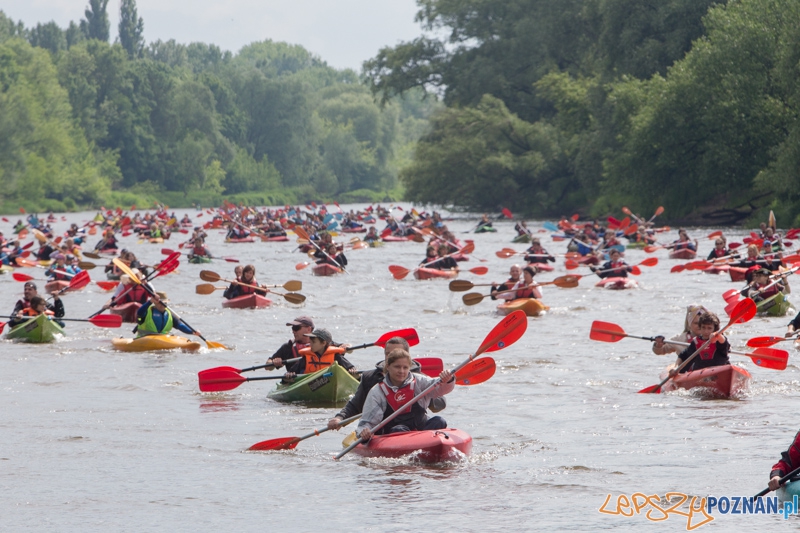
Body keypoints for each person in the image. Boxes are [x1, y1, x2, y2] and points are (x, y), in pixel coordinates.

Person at [327, 337, 446, 430]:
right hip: (386, 431)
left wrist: (425, 395)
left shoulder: (419, 379)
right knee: (398, 430)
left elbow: (440, 404)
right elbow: (355, 406)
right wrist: (339, 419)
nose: (392, 357)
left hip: (416, 425)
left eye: (397, 353)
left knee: (439, 422)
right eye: (388, 354)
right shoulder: (370, 378)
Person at [356, 349, 454, 440]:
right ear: (388, 367)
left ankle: (427, 446)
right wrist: (364, 432)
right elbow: (367, 422)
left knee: (439, 421)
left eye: (405, 367)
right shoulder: (378, 391)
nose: (401, 371)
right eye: (397, 367)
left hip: (421, 429)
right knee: (399, 430)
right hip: (396, 434)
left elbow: (439, 388)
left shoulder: (419, 381)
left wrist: (448, 379)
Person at [281, 328, 357, 382]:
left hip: (330, 381)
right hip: (310, 383)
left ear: (323, 343)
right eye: (310, 342)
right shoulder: (306, 358)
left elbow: (351, 368)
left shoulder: (336, 356)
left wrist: (353, 371)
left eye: (313, 342)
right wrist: (288, 376)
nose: (310, 345)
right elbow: (290, 373)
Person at [669, 312, 729, 376]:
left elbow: (723, 341)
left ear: (715, 329)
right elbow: (683, 356)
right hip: (700, 373)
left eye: (709, 328)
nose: (706, 331)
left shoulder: (719, 340)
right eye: (703, 327)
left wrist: (716, 335)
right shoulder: (696, 342)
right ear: (700, 327)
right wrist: (676, 368)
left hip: (719, 371)